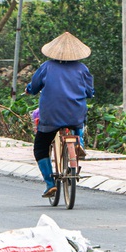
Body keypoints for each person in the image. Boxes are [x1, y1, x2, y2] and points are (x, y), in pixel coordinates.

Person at [25, 31, 94, 198]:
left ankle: (50, 184)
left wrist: (28, 90)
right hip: (75, 114)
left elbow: (34, 87)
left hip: (51, 116)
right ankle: (79, 144)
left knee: (40, 147)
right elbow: (90, 92)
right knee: (78, 124)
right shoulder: (82, 69)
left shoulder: (47, 67)